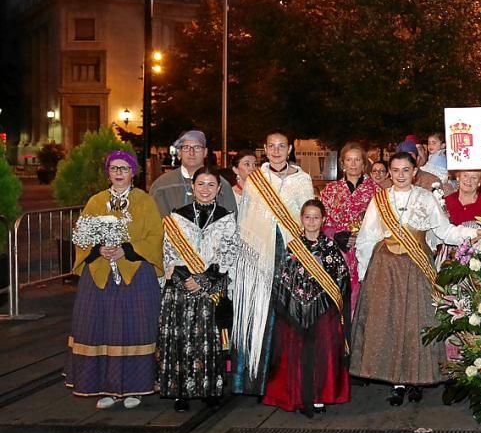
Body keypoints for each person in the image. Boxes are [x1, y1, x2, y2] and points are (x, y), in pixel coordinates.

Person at [351, 152, 480, 406]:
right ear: (389, 172)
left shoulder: (426, 198)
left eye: (405, 170)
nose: (400, 175)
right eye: (396, 170)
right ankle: (396, 381)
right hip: (385, 268)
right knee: (391, 323)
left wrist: (472, 233)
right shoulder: (380, 200)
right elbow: (366, 237)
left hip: (416, 267)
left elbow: (445, 231)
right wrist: (365, 272)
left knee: (416, 322)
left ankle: (415, 378)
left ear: (414, 172)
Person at [66, 151, 164, 408]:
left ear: (133, 172)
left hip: (135, 272)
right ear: (108, 172)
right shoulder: (96, 201)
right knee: (100, 327)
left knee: (133, 327)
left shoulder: (145, 201)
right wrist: (98, 249)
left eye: (124, 168)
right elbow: (82, 236)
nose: (119, 173)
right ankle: (105, 388)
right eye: (113, 168)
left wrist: (126, 250)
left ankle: (135, 388)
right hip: (100, 274)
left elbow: (155, 236)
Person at [229, 130, 315, 395]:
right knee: (260, 314)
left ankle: (289, 383)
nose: (277, 150)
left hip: (291, 253)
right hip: (259, 255)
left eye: (282, 146)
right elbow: (246, 218)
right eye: (271, 146)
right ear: (264, 149)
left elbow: (309, 216)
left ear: (289, 149)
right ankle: (256, 380)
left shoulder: (303, 180)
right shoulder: (255, 180)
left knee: (289, 318)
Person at [158, 167, 239, 411]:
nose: (205, 190)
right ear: (192, 187)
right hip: (181, 288)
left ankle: (210, 389)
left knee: (210, 339)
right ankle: (180, 391)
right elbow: (169, 252)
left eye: (211, 185)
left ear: (219, 189)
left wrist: (204, 279)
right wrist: (186, 278)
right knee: (182, 339)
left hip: (209, 288)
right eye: (201, 184)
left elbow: (229, 252)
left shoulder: (226, 218)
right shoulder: (176, 217)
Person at [262, 200, 352, 416]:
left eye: (316, 217)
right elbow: (282, 278)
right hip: (295, 313)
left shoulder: (331, 248)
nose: (312, 221)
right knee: (296, 355)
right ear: (301, 219)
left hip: (324, 312)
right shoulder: (293, 248)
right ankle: (298, 397)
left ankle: (320, 396)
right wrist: (291, 308)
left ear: (323, 220)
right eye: (307, 217)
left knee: (322, 354)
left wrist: (324, 305)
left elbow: (341, 279)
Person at [319, 142, 379, 311]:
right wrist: (336, 235)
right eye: (349, 160)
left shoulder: (377, 191)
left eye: (357, 160)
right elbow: (322, 222)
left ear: (364, 163)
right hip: (337, 252)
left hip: (366, 254)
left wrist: (362, 238)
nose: (353, 164)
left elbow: (382, 225)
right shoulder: (330, 190)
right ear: (342, 163)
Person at [150, 130, 237, 216]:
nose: (192, 152)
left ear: (205, 152)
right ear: (179, 153)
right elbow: (152, 222)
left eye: (197, 147)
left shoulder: (222, 186)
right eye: (186, 147)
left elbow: (231, 221)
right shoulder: (161, 185)